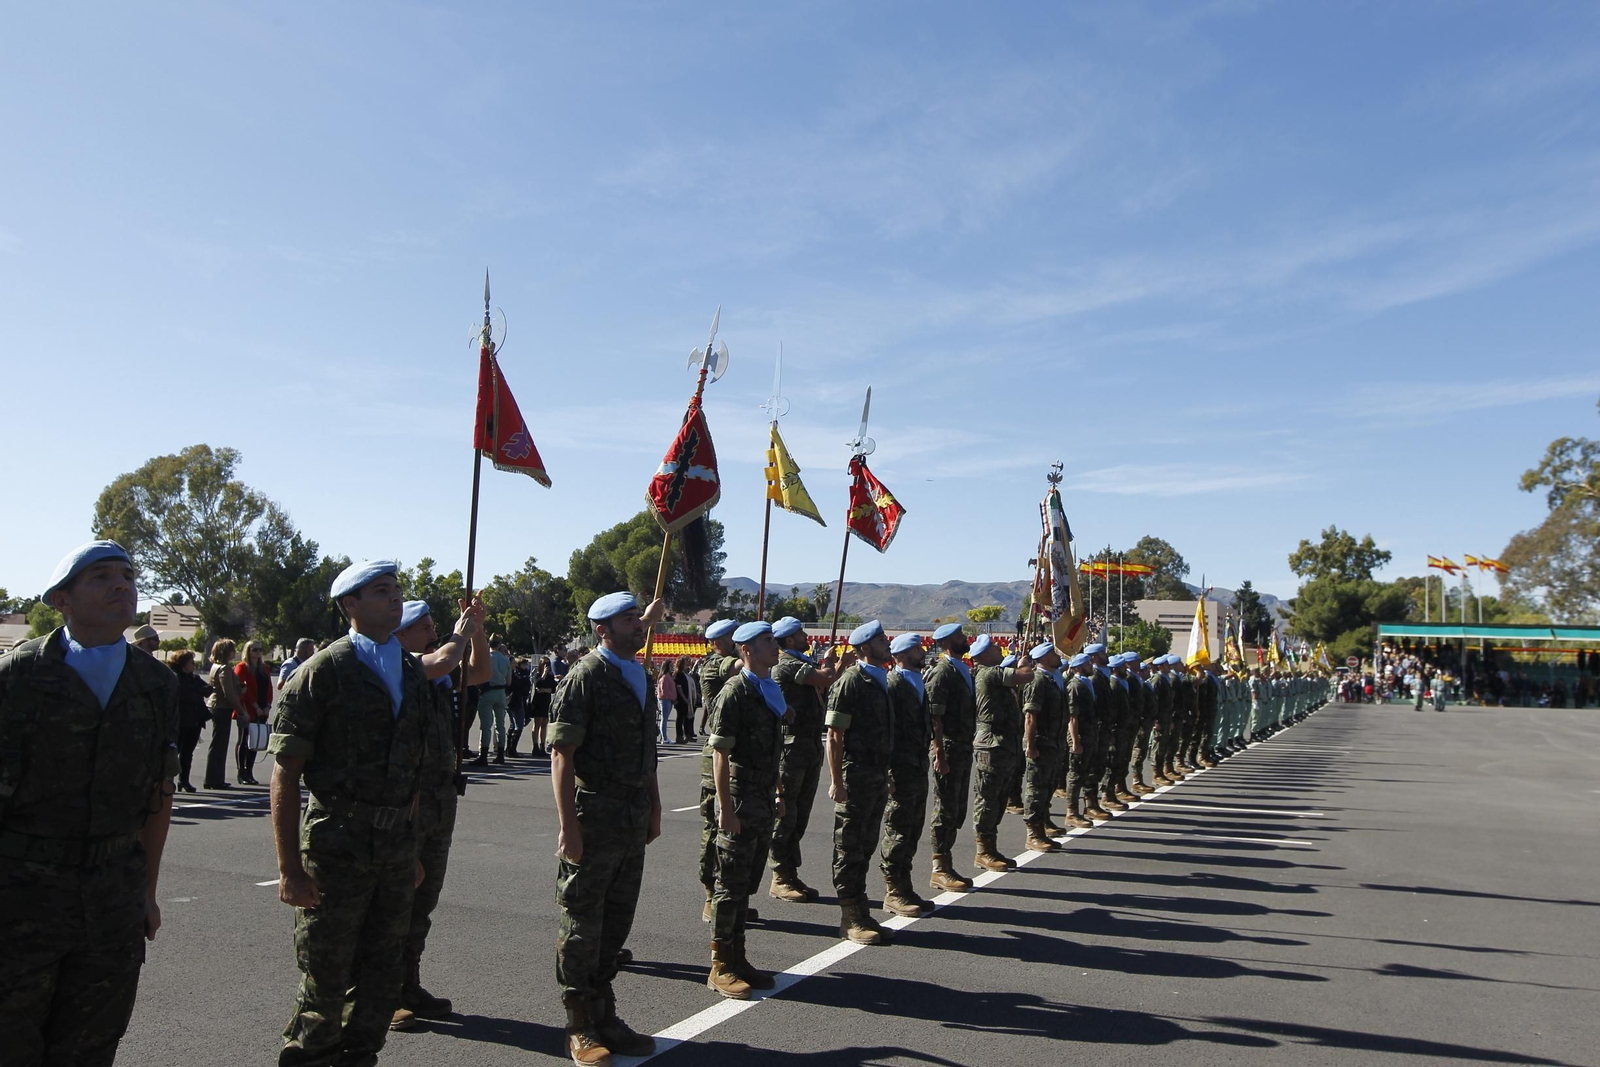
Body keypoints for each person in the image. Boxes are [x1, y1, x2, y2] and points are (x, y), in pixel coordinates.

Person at [0, 539, 178, 1067]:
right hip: (20, 894)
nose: (121, 584)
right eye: (100, 576)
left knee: (92, 1045)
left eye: (126, 574)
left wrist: (147, 891)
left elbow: (158, 794)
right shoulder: (17, 676)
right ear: (62, 600)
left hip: (112, 897)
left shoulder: (156, 682)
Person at [268, 560, 433, 1067]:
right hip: (337, 842)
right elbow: (285, 774)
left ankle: (360, 1056)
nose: (394, 599)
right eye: (381, 591)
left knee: (384, 971)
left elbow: (415, 770)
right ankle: (312, 1056)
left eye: (397, 591)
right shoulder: (323, 671)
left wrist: (414, 848)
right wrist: (289, 869)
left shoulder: (409, 669)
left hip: (394, 844)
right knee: (326, 971)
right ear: (349, 606)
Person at [549, 592, 664, 1065]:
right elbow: (562, 755)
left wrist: (655, 807)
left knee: (616, 922)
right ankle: (579, 1025)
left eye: (638, 617)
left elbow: (647, 753)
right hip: (595, 815)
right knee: (582, 923)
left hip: (632, 815)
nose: (638, 625)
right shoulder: (585, 678)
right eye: (627, 619)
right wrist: (569, 827)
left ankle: (605, 1011)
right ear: (603, 630)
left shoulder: (639, 672)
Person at [388, 596, 489, 1031]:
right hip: (404, 801)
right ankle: (381, 991)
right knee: (394, 900)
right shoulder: (400, 665)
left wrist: (477, 630)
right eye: (424, 625)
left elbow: (479, 672)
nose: (432, 629)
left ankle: (407, 982)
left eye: (434, 624)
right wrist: (458, 635)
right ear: (401, 634)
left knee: (422, 902)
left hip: (438, 799)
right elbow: (446, 660)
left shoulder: (439, 670)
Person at [705, 621, 786, 999]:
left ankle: (739, 958)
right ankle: (720, 965)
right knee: (729, 885)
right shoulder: (735, 692)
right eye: (767, 641)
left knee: (746, 883)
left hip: (761, 797)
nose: (775, 646)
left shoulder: (769, 689)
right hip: (739, 798)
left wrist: (778, 791)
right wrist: (725, 808)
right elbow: (719, 754)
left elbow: (773, 751)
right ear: (747, 650)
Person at [768, 616, 849, 904]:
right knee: (786, 815)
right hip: (791, 749)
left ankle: (790, 872)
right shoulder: (788, 664)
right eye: (801, 633)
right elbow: (825, 678)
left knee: (799, 815)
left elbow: (827, 680)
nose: (805, 637)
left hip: (807, 745)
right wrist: (829, 662)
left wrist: (835, 665)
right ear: (790, 639)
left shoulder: (798, 661)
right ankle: (780, 876)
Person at [826, 620, 897, 945]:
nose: (887, 642)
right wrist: (836, 781)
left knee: (867, 844)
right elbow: (834, 735)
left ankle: (861, 909)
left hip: (876, 776)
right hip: (855, 777)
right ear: (866, 648)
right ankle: (850, 916)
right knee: (849, 847)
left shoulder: (881, 680)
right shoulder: (852, 682)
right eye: (880, 639)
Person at [880, 632, 940, 916]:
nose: (922, 651)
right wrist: (889, 772)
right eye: (916, 649)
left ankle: (905, 885)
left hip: (917, 765)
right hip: (900, 767)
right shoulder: (893, 683)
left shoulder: (920, 680)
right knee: (898, 830)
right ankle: (893, 891)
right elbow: (887, 730)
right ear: (901, 655)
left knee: (913, 829)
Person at [970, 634, 1034, 871]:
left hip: (1003, 743)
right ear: (985, 655)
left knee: (998, 798)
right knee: (987, 798)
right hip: (992, 743)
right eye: (995, 648)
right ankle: (983, 851)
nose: (1000, 650)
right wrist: (1024, 662)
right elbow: (1026, 676)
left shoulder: (993, 672)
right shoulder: (989, 672)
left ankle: (991, 847)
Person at [696, 620, 743, 923]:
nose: (736, 640)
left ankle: (730, 894)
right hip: (716, 754)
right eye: (733, 636)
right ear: (719, 641)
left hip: (737, 753)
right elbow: (738, 665)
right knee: (715, 829)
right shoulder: (714, 664)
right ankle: (711, 893)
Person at [925, 622, 975, 893]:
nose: (963, 638)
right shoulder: (942, 672)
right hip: (949, 747)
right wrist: (939, 754)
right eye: (958, 636)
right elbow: (936, 718)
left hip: (963, 747)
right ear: (947, 642)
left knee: (956, 809)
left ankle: (947, 861)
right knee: (945, 809)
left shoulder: (960, 668)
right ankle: (939, 868)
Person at [1020, 641, 1066, 853]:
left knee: (1047, 787)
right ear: (1045, 658)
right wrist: (1030, 744)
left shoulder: (1053, 678)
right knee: (1036, 789)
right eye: (1053, 654)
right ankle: (1033, 834)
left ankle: (1043, 826)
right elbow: (1030, 716)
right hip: (1041, 742)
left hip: (1054, 742)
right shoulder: (1038, 680)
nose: (1058, 656)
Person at [203, 639, 245, 789]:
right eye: (232, 650)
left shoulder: (216, 667)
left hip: (216, 706)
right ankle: (214, 779)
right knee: (219, 744)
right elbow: (229, 693)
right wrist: (241, 710)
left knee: (218, 744)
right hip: (221, 707)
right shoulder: (225, 669)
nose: (234, 652)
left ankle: (215, 778)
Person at [1062, 652, 1097, 827]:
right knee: (1075, 775)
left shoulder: (1087, 683)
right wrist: (1075, 741)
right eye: (1087, 664)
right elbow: (1072, 717)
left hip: (1089, 734)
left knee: (1086, 773)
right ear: (1078, 667)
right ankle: (1071, 812)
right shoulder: (1075, 686)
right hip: (1080, 735)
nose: (1091, 666)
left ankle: (1088, 806)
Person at [172, 649, 213, 793]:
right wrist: (197, 690)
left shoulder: (194, 678)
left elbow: (208, 690)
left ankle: (184, 780)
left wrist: (196, 689)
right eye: (191, 662)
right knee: (173, 751)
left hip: (195, 720)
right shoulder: (175, 677)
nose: (193, 664)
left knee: (187, 753)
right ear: (182, 663)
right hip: (180, 720)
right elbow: (185, 694)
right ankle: (169, 779)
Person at [233, 641, 272, 786]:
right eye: (254, 649)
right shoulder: (242, 667)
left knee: (254, 742)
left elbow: (269, 689)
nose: (257, 652)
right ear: (247, 651)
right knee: (244, 741)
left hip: (262, 710)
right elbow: (244, 690)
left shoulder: (265, 668)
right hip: (246, 710)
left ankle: (249, 771)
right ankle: (241, 772)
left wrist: (267, 706)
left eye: (260, 649)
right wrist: (255, 707)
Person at [472, 637, 513, 766]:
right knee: (500, 725)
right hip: (501, 692)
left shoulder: (486, 657)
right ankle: (500, 753)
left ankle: (483, 754)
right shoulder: (505, 660)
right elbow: (509, 681)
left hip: (488, 691)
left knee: (485, 725)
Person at [532, 654, 557, 756]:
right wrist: (543, 675)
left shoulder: (551, 676)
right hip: (538, 702)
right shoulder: (537, 675)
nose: (547, 666)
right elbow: (537, 685)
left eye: (548, 664)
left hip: (546, 701)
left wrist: (545, 690)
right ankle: (535, 746)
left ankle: (542, 746)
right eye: (545, 664)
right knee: (537, 724)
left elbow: (554, 688)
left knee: (544, 724)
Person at [507, 656, 532, 756]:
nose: (525, 666)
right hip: (516, 701)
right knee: (519, 726)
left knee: (513, 725)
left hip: (515, 700)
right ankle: (511, 749)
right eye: (523, 664)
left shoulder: (518, 674)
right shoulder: (516, 674)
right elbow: (520, 687)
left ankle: (509, 749)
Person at [655, 659, 677, 744]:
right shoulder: (664, 677)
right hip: (665, 699)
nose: (672, 667)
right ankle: (664, 738)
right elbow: (665, 690)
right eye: (671, 665)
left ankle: (664, 737)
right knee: (664, 719)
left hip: (669, 699)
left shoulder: (668, 676)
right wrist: (672, 698)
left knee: (665, 719)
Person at [673, 657, 694, 743]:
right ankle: (679, 736)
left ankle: (687, 734)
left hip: (686, 698)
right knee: (680, 718)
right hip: (681, 700)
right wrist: (685, 698)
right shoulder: (678, 674)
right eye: (685, 662)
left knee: (686, 718)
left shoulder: (685, 674)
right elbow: (679, 688)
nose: (687, 664)